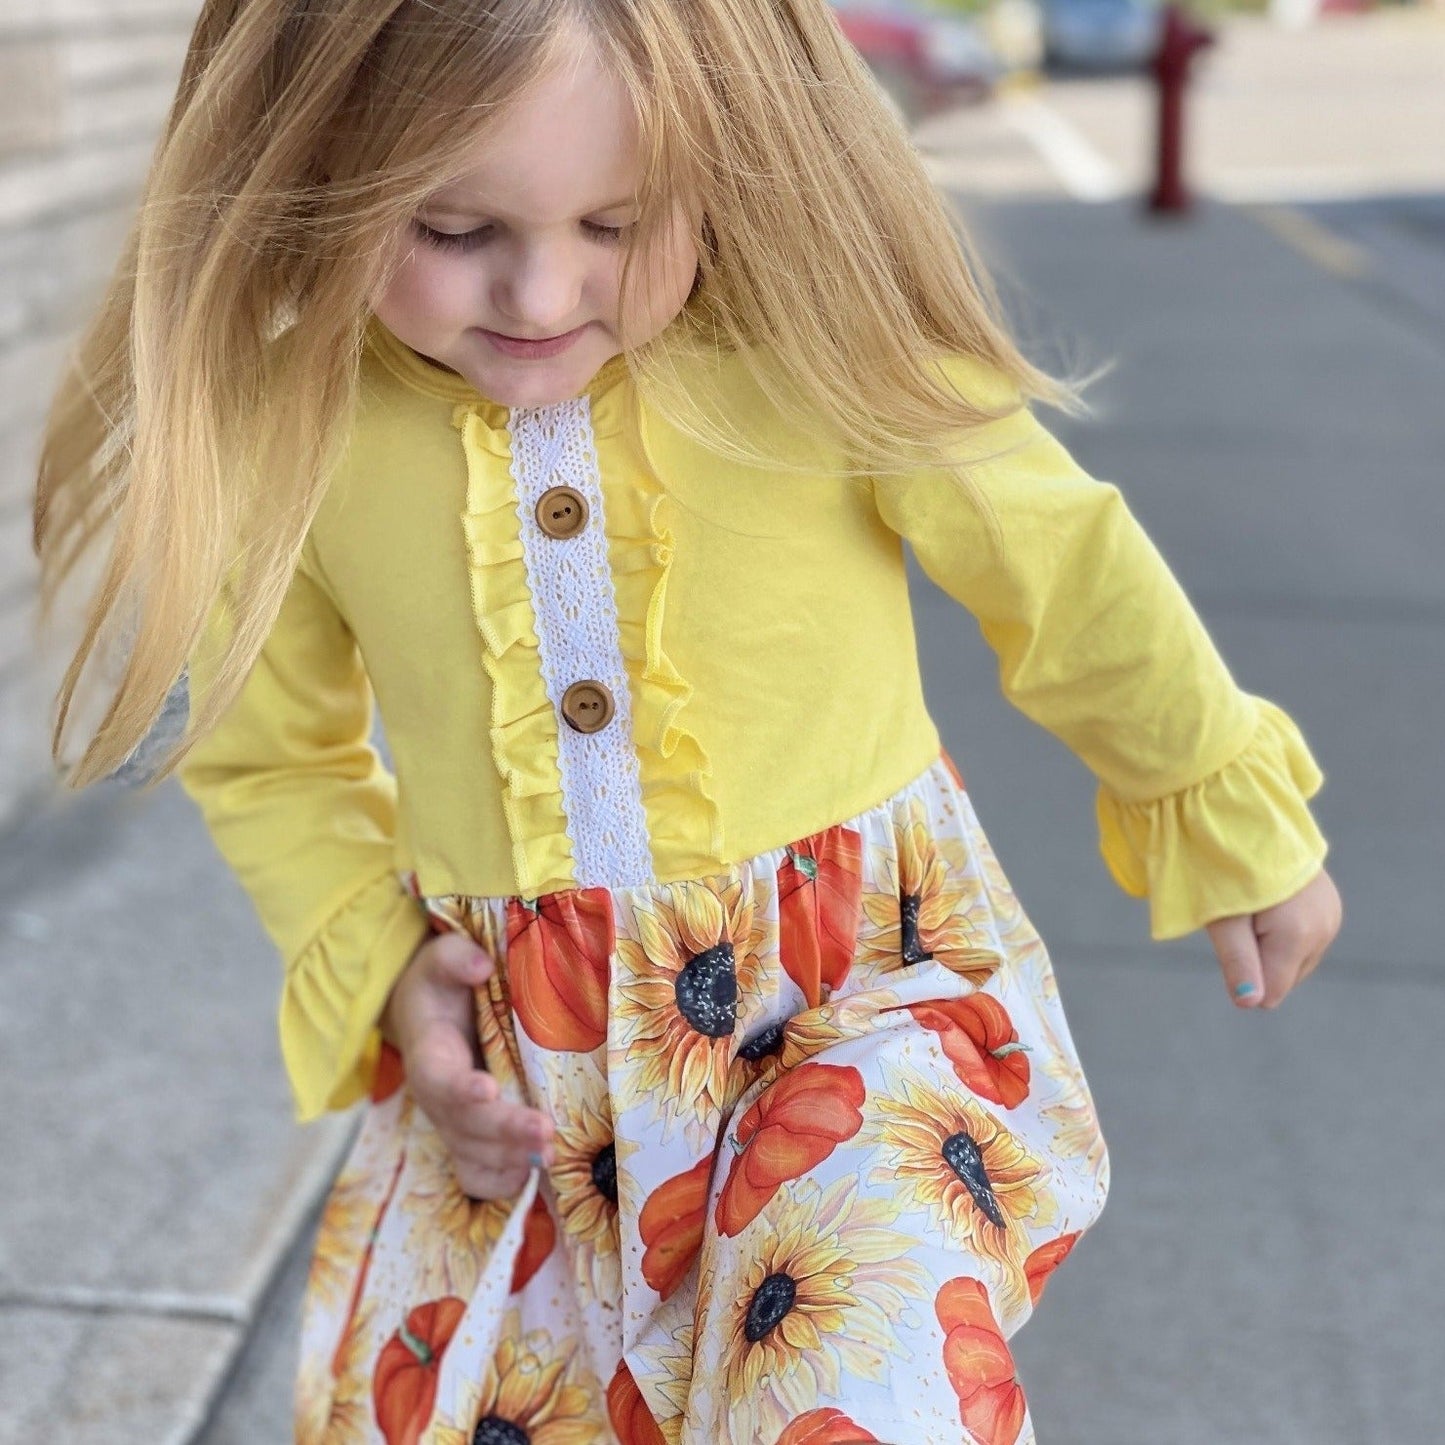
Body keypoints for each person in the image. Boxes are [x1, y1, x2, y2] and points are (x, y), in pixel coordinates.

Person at [32, 1, 1342, 1441]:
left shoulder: (807, 345)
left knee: (857, 1388)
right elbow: (269, 748)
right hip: (540, 1100)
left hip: (861, 1014)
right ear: (316, 181)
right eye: (453, 230)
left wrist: (1218, 794)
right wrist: (388, 962)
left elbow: (1058, 563)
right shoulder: (297, 423)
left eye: (619, 222)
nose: (540, 295)